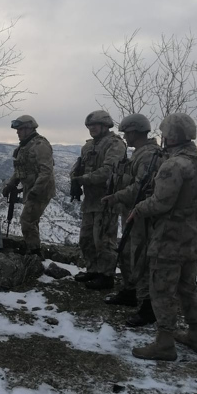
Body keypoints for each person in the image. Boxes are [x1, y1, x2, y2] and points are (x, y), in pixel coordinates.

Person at [128, 113, 197, 361]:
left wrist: (138, 209)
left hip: (170, 238)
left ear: (171, 135)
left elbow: (160, 203)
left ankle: (165, 343)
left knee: (161, 291)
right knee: (188, 288)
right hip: (195, 235)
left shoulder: (174, 165)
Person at [102, 114, 162, 326]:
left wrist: (115, 197)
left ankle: (148, 307)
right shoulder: (138, 154)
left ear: (135, 132)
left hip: (142, 217)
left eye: (127, 132)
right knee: (127, 254)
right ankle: (130, 292)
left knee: (141, 258)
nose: (125, 136)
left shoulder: (148, 156)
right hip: (130, 213)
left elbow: (141, 187)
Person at [71, 110, 126, 290]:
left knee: (103, 240)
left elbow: (108, 171)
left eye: (95, 125)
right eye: (89, 126)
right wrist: (75, 178)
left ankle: (106, 275)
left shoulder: (115, 144)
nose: (91, 129)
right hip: (91, 200)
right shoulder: (88, 147)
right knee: (86, 239)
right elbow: (79, 166)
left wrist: (82, 180)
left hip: (107, 199)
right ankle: (93, 269)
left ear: (105, 125)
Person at [2, 114, 55, 256]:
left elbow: (46, 172)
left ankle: (34, 251)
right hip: (30, 189)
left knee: (27, 219)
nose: (17, 132)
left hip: (41, 190)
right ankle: (33, 247)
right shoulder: (24, 147)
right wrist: (10, 185)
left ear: (28, 129)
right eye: (17, 129)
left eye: (20, 129)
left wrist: (35, 191)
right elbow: (20, 170)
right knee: (31, 220)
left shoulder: (40, 145)